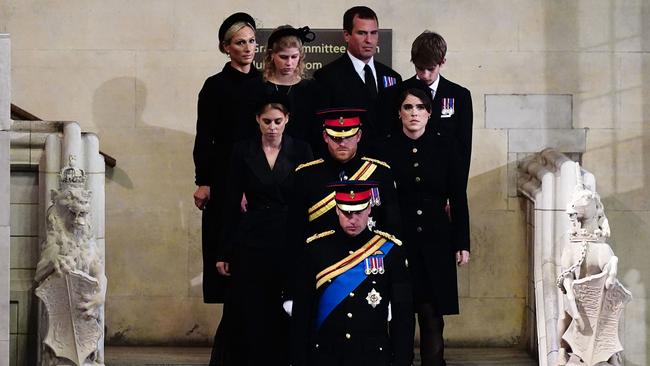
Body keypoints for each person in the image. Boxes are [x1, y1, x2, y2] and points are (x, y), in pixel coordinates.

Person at [216, 93, 313, 365]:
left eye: (278, 121)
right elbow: (231, 201)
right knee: (250, 307)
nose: (272, 127)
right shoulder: (242, 150)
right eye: (267, 121)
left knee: (284, 306)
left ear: (287, 120)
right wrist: (224, 250)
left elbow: (311, 198)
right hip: (252, 238)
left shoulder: (302, 150)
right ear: (257, 120)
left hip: (290, 237)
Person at [191, 11, 260, 365]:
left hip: (262, 180)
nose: (248, 48)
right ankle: (228, 353)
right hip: (225, 181)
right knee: (229, 265)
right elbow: (206, 137)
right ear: (225, 48)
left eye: (251, 40)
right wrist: (203, 180)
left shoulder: (265, 83)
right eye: (240, 42)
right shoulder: (214, 86)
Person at [383, 87, 470, 366]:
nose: (414, 113)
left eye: (420, 107)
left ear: (430, 113)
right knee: (401, 313)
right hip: (399, 238)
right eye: (408, 107)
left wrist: (462, 243)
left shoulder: (445, 146)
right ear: (399, 113)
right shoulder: (385, 147)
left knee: (432, 316)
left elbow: (457, 197)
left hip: (436, 239)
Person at [290, 180, 414, 366]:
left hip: (372, 356)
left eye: (358, 212)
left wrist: (402, 360)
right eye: (347, 212)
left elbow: (402, 314)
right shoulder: (315, 249)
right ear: (337, 210)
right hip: (325, 355)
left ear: (369, 209)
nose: (353, 219)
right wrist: (298, 359)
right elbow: (302, 313)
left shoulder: (390, 251)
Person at [287, 108, 401, 263]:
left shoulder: (380, 172)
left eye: (348, 136)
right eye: (336, 137)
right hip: (322, 263)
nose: (342, 143)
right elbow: (296, 230)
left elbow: (391, 225)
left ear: (359, 135)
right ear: (325, 136)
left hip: (369, 262)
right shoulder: (306, 175)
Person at [383, 31, 472, 180]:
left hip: (444, 182)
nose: (425, 75)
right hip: (406, 184)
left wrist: (456, 195)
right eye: (419, 68)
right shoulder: (395, 94)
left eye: (430, 68)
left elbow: (463, 149)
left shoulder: (459, 95)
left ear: (442, 62)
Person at [313, 6, 402, 153]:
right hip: (349, 163)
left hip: (386, 163)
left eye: (373, 33)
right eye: (362, 33)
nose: (369, 40)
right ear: (347, 35)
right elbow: (320, 130)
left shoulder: (393, 77)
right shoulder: (326, 77)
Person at [240, 25, 323, 153]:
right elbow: (246, 131)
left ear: (300, 56)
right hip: (262, 158)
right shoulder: (254, 87)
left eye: (294, 57)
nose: (289, 63)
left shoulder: (312, 89)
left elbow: (316, 134)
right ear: (272, 55)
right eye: (283, 57)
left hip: (303, 159)